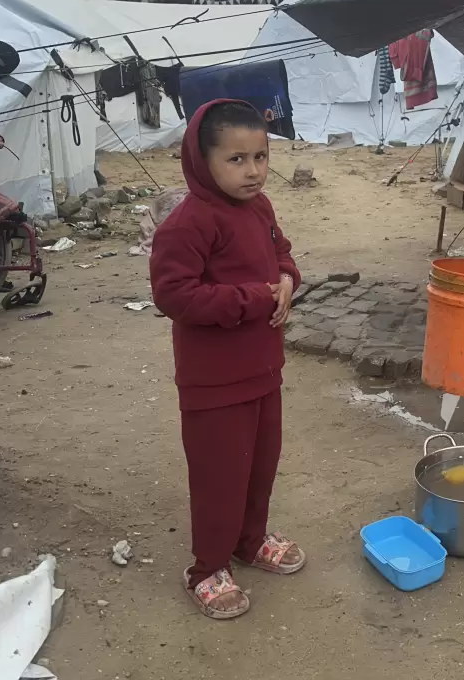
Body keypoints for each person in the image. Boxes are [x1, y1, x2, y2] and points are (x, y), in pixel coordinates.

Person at [149, 99, 305, 620]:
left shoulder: (260, 209)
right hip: (213, 381)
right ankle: (207, 568)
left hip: (264, 369)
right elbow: (175, 295)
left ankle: (249, 540)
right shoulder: (188, 224)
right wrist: (256, 298)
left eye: (261, 156)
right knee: (220, 478)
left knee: (260, 466)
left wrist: (287, 279)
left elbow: (281, 254)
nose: (253, 171)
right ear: (202, 159)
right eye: (236, 160)